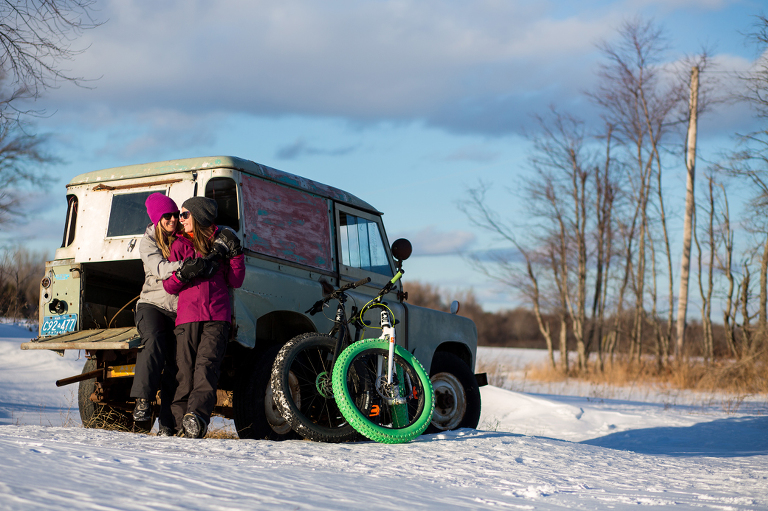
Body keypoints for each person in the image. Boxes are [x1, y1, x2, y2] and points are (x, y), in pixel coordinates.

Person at [131, 193, 215, 436]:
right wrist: (185, 267)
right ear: (157, 220)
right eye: (166, 216)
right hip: (152, 305)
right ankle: (143, 401)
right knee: (154, 342)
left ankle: (167, 424)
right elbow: (159, 269)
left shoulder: (182, 237)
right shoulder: (148, 242)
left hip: (178, 310)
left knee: (178, 365)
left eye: (175, 215)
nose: (171, 219)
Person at [163, 196, 245, 438]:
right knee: (185, 373)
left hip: (217, 317)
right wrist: (183, 275)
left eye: (185, 214)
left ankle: (196, 420)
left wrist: (236, 254)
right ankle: (180, 425)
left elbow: (236, 280)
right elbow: (169, 286)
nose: (180, 219)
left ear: (198, 217)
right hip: (187, 318)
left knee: (206, 369)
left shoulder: (221, 242)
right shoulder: (178, 245)